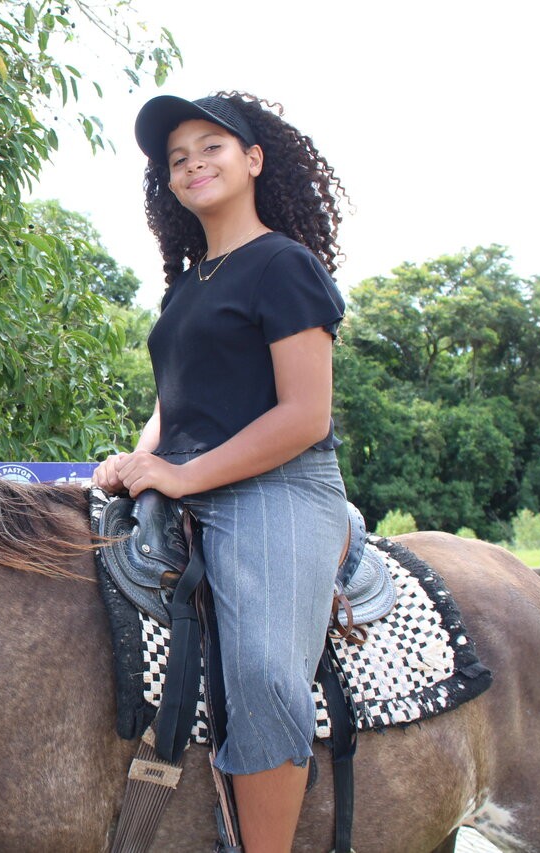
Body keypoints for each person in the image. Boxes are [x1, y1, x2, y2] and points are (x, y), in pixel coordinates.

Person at [92, 92, 349, 853]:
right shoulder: (186, 287)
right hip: (189, 478)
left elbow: (304, 415)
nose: (193, 164)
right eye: (178, 158)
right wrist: (139, 459)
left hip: (279, 486)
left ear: (254, 160)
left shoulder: (283, 265)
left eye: (212, 147)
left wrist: (184, 475)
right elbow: (174, 403)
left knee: (266, 671)